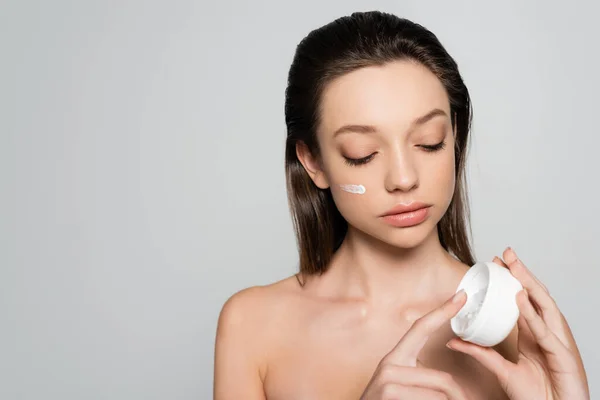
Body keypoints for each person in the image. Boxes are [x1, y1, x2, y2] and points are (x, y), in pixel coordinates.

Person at [213, 10, 590, 399]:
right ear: (314, 162)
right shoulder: (253, 325)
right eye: (362, 154)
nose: (404, 178)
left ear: (455, 137)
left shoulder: (515, 324)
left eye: (429, 142)